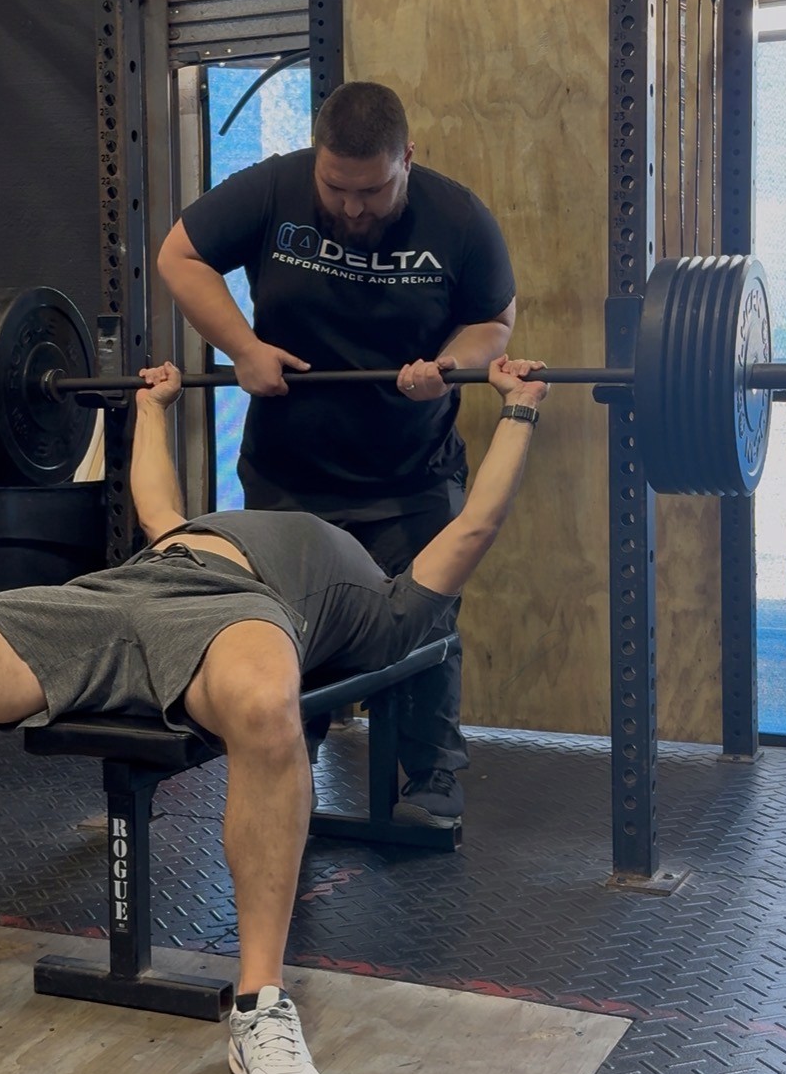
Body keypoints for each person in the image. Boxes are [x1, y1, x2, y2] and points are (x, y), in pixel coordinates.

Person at [0, 355, 547, 1074]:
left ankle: (260, 1005)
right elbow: (155, 505)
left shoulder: (390, 606)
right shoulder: (197, 528)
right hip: (115, 593)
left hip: (239, 612)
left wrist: (519, 410)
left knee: (265, 709)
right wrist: (156, 404)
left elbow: (474, 522)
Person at [157, 80, 517, 828]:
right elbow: (180, 256)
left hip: (408, 473)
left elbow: (493, 320)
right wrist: (243, 348)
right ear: (316, 160)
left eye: (372, 190)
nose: (352, 206)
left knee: (424, 625)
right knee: (286, 629)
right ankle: (291, 769)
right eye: (335, 187)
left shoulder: (456, 218)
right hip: (291, 476)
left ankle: (430, 783)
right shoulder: (273, 187)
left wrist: (447, 365)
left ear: (406, 159)